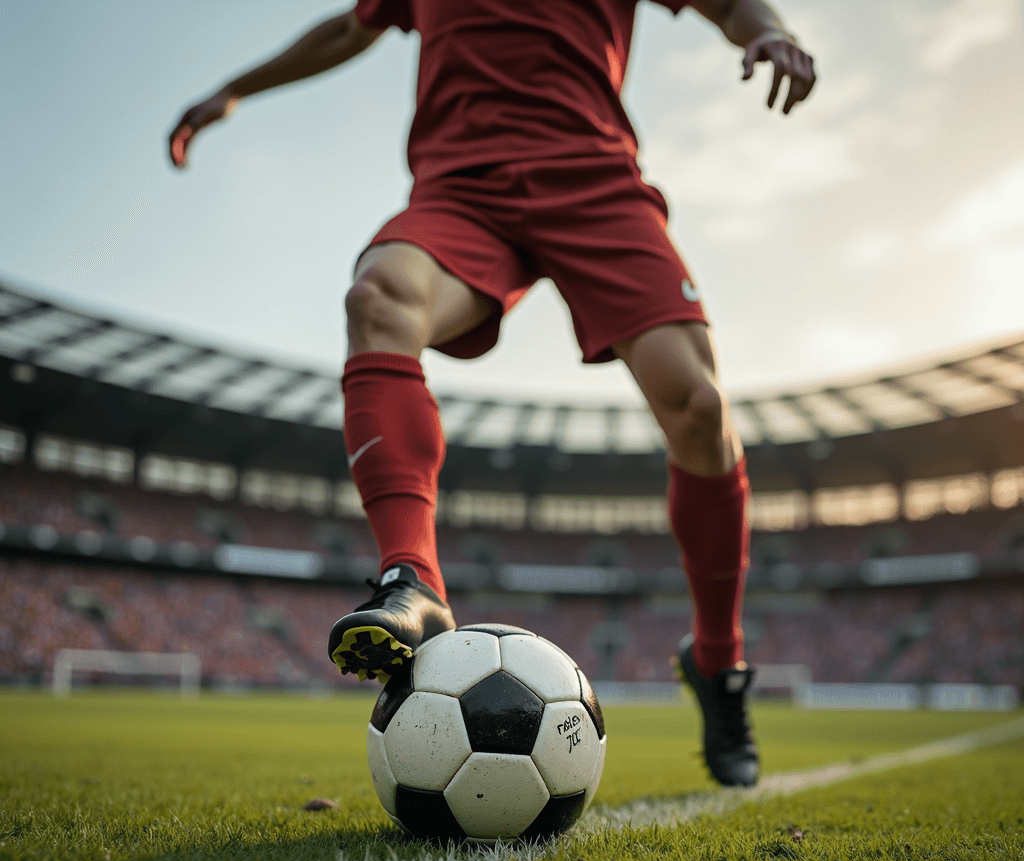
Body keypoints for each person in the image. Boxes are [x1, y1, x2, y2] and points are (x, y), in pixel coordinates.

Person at [169, 0, 816, 787]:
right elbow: (348, 28)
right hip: (462, 187)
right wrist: (236, 89)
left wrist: (767, 32)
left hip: (594, 180)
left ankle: (717, 662)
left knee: (701, 409)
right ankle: (413, 580)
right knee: (379, 299)